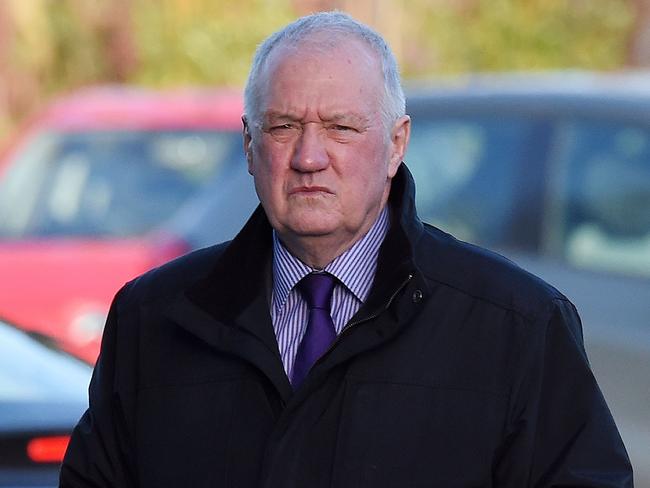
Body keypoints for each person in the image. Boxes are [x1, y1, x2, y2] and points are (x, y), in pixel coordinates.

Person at [60, 11, 633, 488]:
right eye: (284, 127)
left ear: (395, 145)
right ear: (249, 145)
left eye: (341, 128)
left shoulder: (519, 327)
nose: (309, 157)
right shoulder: (154, 321)